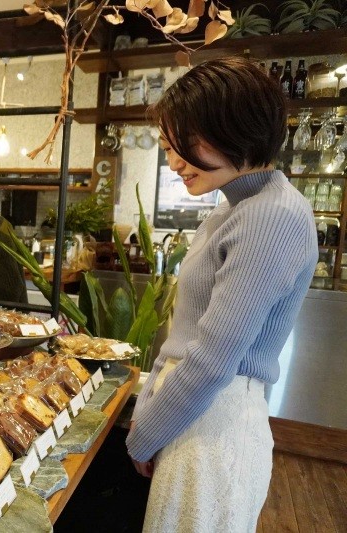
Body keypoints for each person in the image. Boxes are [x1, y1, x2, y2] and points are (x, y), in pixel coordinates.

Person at [127, 56, 317, 532]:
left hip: (214, 427)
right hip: (192, 416)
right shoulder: (235, 207)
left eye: (185, 144)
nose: (173, 163)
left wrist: (141, 436)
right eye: (169, 147)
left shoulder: (272, 215)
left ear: (237, 126)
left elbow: (213, 358)